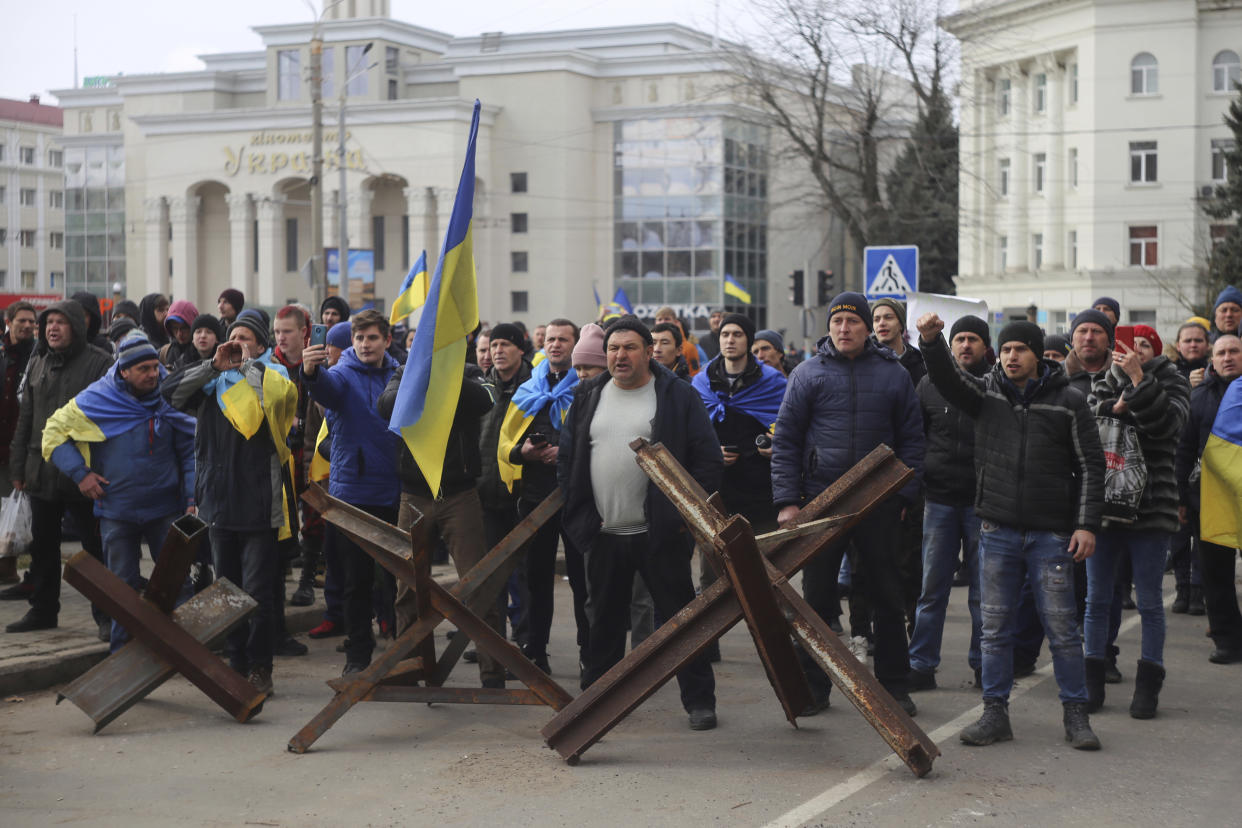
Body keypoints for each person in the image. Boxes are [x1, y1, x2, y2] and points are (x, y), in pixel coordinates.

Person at [916, 312, 1104, 750]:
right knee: (994, 629)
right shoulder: (986, 395)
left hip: (1051, 535)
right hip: (997, 529)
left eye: (1019, 349)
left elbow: (1091, 466)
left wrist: (1086, 525)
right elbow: (946, 380)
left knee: (1062, 629)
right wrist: (931, 340)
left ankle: (1076, 715)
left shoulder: (1069, 401)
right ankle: (994, 713)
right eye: (1005, 350)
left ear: (1037, 354)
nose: (1011, 356)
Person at [558, 316, 721, 730]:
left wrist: (683, 519)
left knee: (682, 622)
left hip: (660, 535)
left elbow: (707, 460)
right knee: (603, 627)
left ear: (649, 352)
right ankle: (598, 706)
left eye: (629, 347)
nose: (620, 356)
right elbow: (568, 459)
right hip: (604, 534)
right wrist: (580, 518)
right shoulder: (586, 395)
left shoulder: (677, 396)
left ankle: (700, 701)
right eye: (613, 348)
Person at [772, 292, 924, 717]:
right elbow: (786, 441)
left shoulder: (893, 375)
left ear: (866, 327)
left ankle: (895, 684)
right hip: (821, 503)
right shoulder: (807, 373)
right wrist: (787, 502)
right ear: (830, 328)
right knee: (817, 600)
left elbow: (912, 440)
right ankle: (814, 685)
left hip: (879, 503)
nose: (844, 329)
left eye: (853, 322)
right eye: (837, 323)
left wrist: (905, 494)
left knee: (887, 595)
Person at [161, 309, 298, 695]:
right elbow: (169, 393)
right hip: (218, 501)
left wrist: (247, 368)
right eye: (232, 335)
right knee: (227, 589)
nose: (238, 342)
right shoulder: (211, 381)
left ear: (261, 346)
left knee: (258, 592)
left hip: (260, 501)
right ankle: (234, 662)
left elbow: (276, 405)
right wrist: (211, 366)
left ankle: (259, 667)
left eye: (247, 337)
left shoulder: (277, 378)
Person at [43, 334, 197, 651]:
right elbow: (53, 434)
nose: (153, 374)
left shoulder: (171, 397)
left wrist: (193, 498)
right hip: (116, 512)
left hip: (165, 509)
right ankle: (123, 657)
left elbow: (190, 450)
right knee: (121, 590)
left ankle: (191, 651)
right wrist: (81, 475)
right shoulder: (97, 400)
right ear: (123, 371)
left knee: (177, 583)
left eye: (156, 366)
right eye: (144, 369)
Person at [1084, 324, 1189, 719]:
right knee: (1096, 599)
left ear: (1156, 350)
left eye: (1144, 345)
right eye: (1129, 344)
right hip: (1107, 508)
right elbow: (1092, 421)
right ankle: (1092, 679)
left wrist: (1139, 383)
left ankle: (1148, 685)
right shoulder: (1104, 381)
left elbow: (1168, 427)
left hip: (1151, 509)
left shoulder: (1173, 381)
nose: (1135, 350)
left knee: (1149, 602)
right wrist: (1115, 407)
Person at [6, 301, 115, 635]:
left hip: (85, 473)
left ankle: (106, 615)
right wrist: (18, 465)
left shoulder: (100, 364)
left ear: (77, 328)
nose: (52, 328)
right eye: (48, 322)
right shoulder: (38, 362)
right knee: (43, 547)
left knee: (94, 550)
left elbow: (111, 419)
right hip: (41, 470)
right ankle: (42, 610)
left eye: (60, 322)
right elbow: (27, 417)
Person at [302, 309, 400, 674]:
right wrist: (310, 371)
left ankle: (403, 649)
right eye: (359, 338)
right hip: (352, 496)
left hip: (394, 492)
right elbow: (324, 387)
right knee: (355, 582)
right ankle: (358, 655)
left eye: (372, 338)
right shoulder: (342, 373)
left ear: (386, 340)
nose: (365, 344)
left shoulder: (399, 374)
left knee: (397, 580)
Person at [907, 316, 991, 691]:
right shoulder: (928, 384)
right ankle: (921, 665)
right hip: (939, 500)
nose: (965, 345)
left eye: (973, 339)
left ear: (985, 347)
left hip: (982, 504)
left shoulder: (994, 386)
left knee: (984, 594)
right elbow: (916, 438)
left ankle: (983, 665)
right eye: (959, 339)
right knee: (932, 590)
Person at [497, 319, 581, 675]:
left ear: (576, 345)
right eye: (550, 340)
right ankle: (536, 652)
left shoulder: (588, 387)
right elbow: (504, 442)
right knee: (536, 578)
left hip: (577, 497)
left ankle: (589, 652)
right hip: (534, 496)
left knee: (583, 579)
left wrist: (563, 451)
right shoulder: (529, 388)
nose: (556, 345)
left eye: (563, 339)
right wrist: (524, 452)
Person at [1176, 334, 1242, 663]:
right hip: (1210, 500)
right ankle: (1228, 641)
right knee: (1216, 576)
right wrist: (1182, 498)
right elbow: (1184, 449)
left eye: (1234, 351)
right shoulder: (1198, 396)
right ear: (1211, 360)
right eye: (1221, 353)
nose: (1228, 357)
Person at [477, 324, 533, 649]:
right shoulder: (482, 388)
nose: (497, 351)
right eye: (493, 344)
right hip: (485, 494)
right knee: (489, 576)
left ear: (520, 349)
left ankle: (526, 644)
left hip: (522, 496)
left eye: (505, 345)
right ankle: (492, 647)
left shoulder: (534, 389)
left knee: (523, 577)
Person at [306, 320, 354, 641]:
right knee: (334, 555)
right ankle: (335, 614)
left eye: (334, 346)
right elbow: (312, 435)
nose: (330, 351)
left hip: (356, 482)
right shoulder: (321, 385)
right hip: (327, 483)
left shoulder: (353, 382)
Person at [0, 301, 37, 587]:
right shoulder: (2, 354)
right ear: (9, 321)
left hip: (22, 445)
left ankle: (10, 569)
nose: (26, 326)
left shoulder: (38, 356)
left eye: (31, 322)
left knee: (15, 508)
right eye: (21, 320)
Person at [872, 298, 926, 385]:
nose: (881, 323)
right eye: (876, 320)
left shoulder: (919, 362)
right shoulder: (864, 362)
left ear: (901, 324)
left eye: (888, 317)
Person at [159, 299, 200, 371]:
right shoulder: (165, 351)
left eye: (184, 328)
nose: (179, 334)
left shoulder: (204, 350)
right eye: (175, 328)